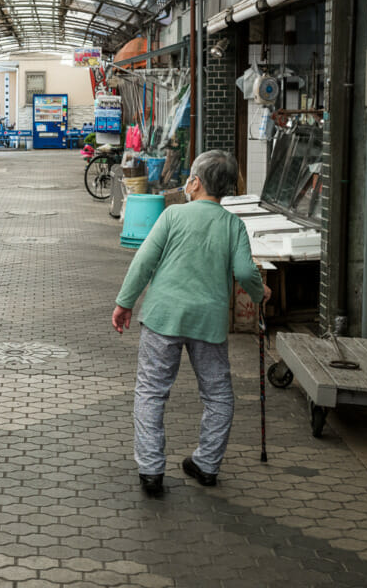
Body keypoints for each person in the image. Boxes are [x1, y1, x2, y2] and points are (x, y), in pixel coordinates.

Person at [112, 150, 268, 496]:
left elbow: (144, 262)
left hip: (162, 317)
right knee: (217, 394)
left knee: (152, 391)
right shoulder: (233, 225)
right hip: (208, 323)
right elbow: (245, 272)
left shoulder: (173, 215)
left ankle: (151, 470)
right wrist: (259, 293)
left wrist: (124, 303)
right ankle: (207, 464)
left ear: (195, 182)